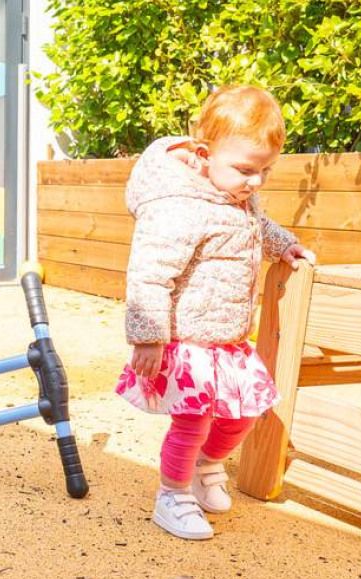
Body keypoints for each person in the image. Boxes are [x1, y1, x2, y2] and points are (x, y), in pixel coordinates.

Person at [114, 85, 317, 541]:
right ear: (204, 156)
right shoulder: (179, 206)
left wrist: (284, 244)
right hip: (187, 341)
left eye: (265, 170)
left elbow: (256, 227)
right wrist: (148, 336)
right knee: (193, 420)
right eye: (246, 169)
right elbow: (149, 272)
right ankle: (173, 495)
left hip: (227, 339)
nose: (256, 181)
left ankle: (208, 469)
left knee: (245, 413)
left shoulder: (237, 198)